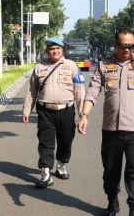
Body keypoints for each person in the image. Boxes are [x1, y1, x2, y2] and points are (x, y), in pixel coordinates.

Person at [77, 29, 134, 216]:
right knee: (111, 171)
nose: (127, 49)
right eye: (123, 45)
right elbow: (93, 91)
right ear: (115, 44)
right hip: (111, 129)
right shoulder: (104, 65)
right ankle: (112, 204)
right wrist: (84, 115)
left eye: (131, 45)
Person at [22, 37, 86, 188]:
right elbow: (32, 91)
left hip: (66, 111)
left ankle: (61, 164)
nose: (55, 51)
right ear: (47, 51)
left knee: (66, 140)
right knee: (46, 142)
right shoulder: (39, 68)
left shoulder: (71, 66)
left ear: (62, 50)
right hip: (45, 111)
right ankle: (45, 173)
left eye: (57, 48)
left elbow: (79, 92)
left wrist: (83, 114)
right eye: (51, 49)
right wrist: (26, 110)